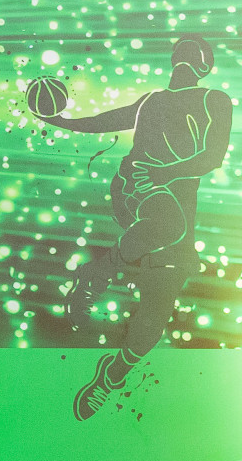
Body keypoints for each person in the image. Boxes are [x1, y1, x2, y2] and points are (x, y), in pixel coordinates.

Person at [39, 36, 233, 419]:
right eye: (182, 55)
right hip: (137, 188)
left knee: (154, 316)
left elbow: (212, 155)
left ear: (204, 66)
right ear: (175, 62)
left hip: (175, 210)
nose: (186, 62)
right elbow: (105, 121)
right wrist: (58, 120)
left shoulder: (215, 100)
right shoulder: (151, 101)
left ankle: (110, 377)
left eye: (193, 57)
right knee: (167, 221)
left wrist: (168, 171)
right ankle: (98, 272)